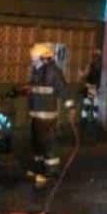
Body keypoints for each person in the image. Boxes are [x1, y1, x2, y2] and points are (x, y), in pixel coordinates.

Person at [26, 43, 71, 188]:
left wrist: (70, 106)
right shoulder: (36, 70)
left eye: (35, 59)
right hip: (36, 114)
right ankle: (39, 170)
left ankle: (51, 173)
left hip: (47, 116)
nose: (33, 61)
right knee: (37, 144)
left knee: (48, 144)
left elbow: (63, 89)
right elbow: (34, 88)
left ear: (43, 58)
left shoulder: (53, 71)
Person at [78, 49, 102, 125]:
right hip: (96, 86)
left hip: (90, 86)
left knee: (87, 104)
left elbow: (85, 74)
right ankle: (95, 119)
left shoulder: (91, 65)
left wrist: (80, 73)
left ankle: (84, 120)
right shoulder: (100, 65)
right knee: (95, 104)